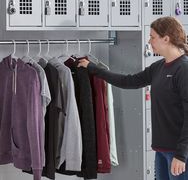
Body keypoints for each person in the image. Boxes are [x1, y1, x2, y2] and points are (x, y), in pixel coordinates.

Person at [77, 16, 188, 180]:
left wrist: (182, 154)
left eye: (152, 37)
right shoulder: (158, 67)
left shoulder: (183, 69)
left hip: (178, 153)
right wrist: (94, 69)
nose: (149, 41)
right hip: (161, 150)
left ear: (166, 38)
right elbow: (128, 81)